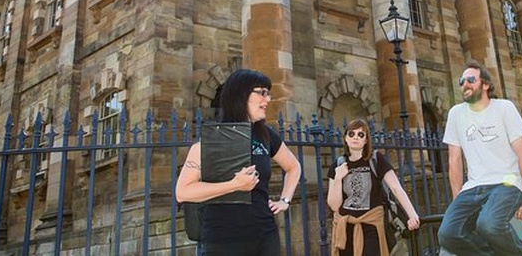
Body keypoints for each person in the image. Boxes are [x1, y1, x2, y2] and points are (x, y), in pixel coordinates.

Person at [175, 69, 302, 256]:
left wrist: (285, 200)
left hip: (265, 235)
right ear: (241, 95)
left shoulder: (266, 135)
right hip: (223, 240)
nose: (268, 100)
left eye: (269, 93)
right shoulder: (212, 139)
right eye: (262, 93)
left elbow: (293, 167)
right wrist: (234, 185)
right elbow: (183, 192)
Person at [437, 60, 522, 256]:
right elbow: (454, 160)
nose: (465, 84)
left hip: (507, 183)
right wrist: (458, 201)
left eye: (471, 79)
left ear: (485, 84)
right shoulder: (456, 114)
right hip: (473, 186)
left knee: (488, 224)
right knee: (448, 233)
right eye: (461, 81)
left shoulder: (504, 108)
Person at [327, 119, 420, 256]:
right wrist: (338, 178)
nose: (355, 137)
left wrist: (412, 215)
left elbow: (396, 188)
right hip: (346, 229)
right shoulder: (338, 165)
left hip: (372, 226)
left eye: (361, 134)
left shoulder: (376, 160)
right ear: (346, 138)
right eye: (351, 134)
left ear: (366, 140)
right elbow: (334, 206)